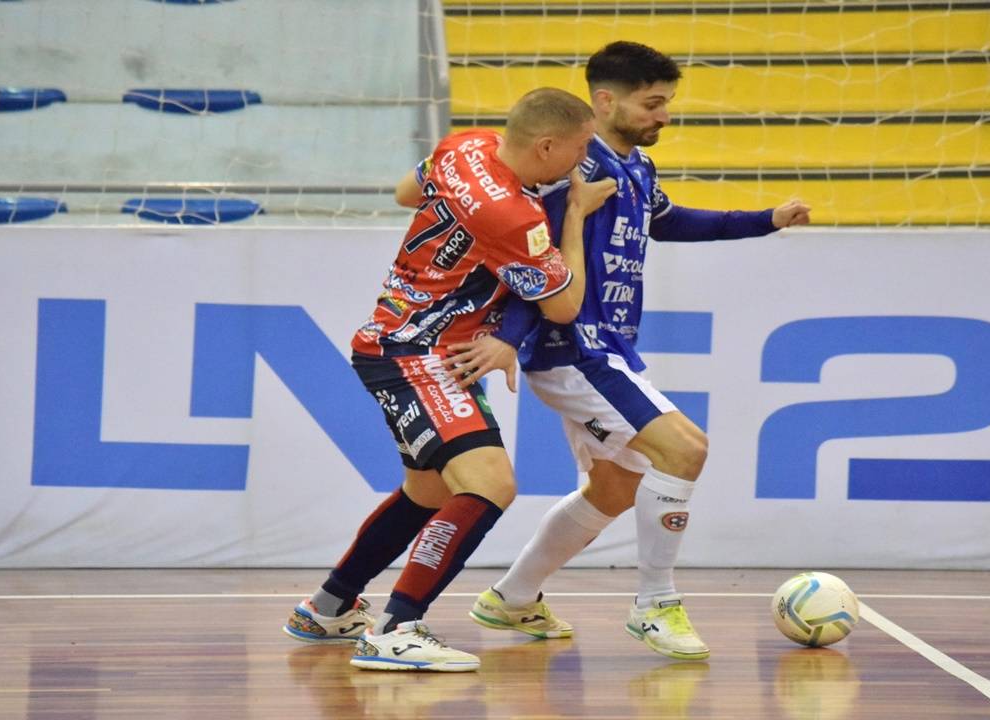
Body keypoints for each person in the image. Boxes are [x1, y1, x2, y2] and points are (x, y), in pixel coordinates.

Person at [444, 41, 811, 661]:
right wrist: (507, 337)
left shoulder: (636, 166)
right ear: (606, 100)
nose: (663, 115)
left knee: (614, 487)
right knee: (685, 449)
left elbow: (669, 222)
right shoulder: (568, 173)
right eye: (653, 103)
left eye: (665, 103)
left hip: (606, 349)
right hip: (575, 350)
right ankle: (655, 605)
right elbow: (534, 263)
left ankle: (511, 597)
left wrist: (765, 218)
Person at [281, 87, 617, 673]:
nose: (586, 157)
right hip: (421, 352)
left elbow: (406, 193)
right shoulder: (516, 215)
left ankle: (329, 607)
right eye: (581, 146)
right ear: (545, 146)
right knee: (491, 484)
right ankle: (396, 628)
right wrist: (577, 216)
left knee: (430, 492)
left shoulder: (465, 145)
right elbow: (564, 305)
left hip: (402, 337)